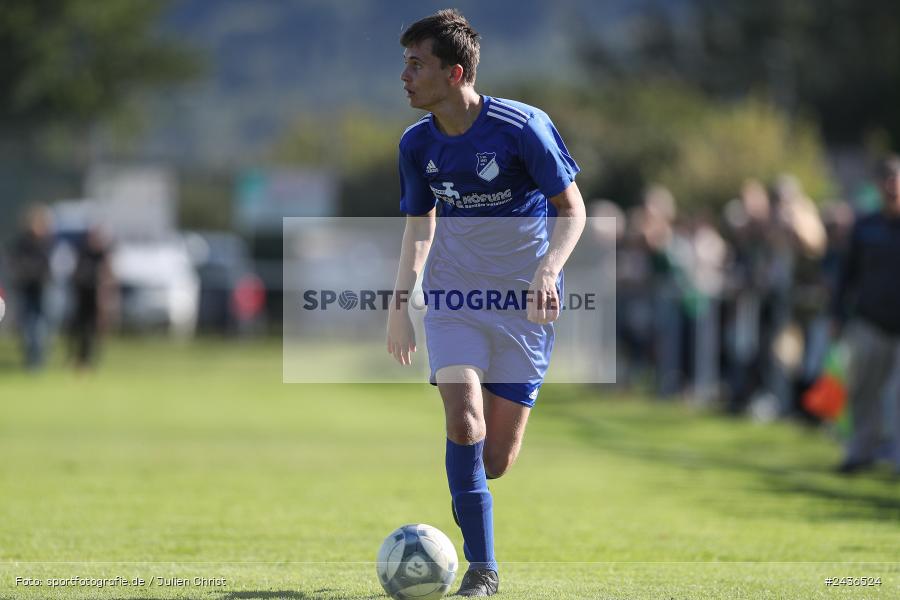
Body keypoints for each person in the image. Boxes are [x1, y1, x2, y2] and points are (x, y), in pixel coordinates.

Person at [387, 9, 585, 596]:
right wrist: (400, 304)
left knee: (493, 461)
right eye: (404, 64)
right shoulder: (416, 145)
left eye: (417, 64)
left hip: (525, 308)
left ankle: (471, 499)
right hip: (454, 300)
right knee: (463, 416)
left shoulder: (523, 128)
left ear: (455, 72)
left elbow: (572, 210)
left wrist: (550, 268)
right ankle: (482, 567)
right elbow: (419, 228)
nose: (405, 76)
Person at [831, 156, 900, 475]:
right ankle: (861, 452)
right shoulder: (865, 226)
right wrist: (836, 313)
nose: (891, 185)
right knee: (863, 389)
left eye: (896, 178)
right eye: (886, 178)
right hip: (870, 320)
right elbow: (847, 276)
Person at [8, 204, 53, 370]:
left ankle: (38, 359)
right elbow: (15, 263)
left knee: (41, 326)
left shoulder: (48, 241)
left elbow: (50, 266)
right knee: (28, 326)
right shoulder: (22, 242)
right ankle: (31, 359)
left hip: (43, 289)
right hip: (26, 288)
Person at [69, 227, 116, 369]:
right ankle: (79, 358)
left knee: (96, 332)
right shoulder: (82, 253)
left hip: (97, 300)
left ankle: (92, 360)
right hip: (83, 299)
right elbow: (76, 275)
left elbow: (109, 277)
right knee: (80, 331)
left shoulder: (103, 255)